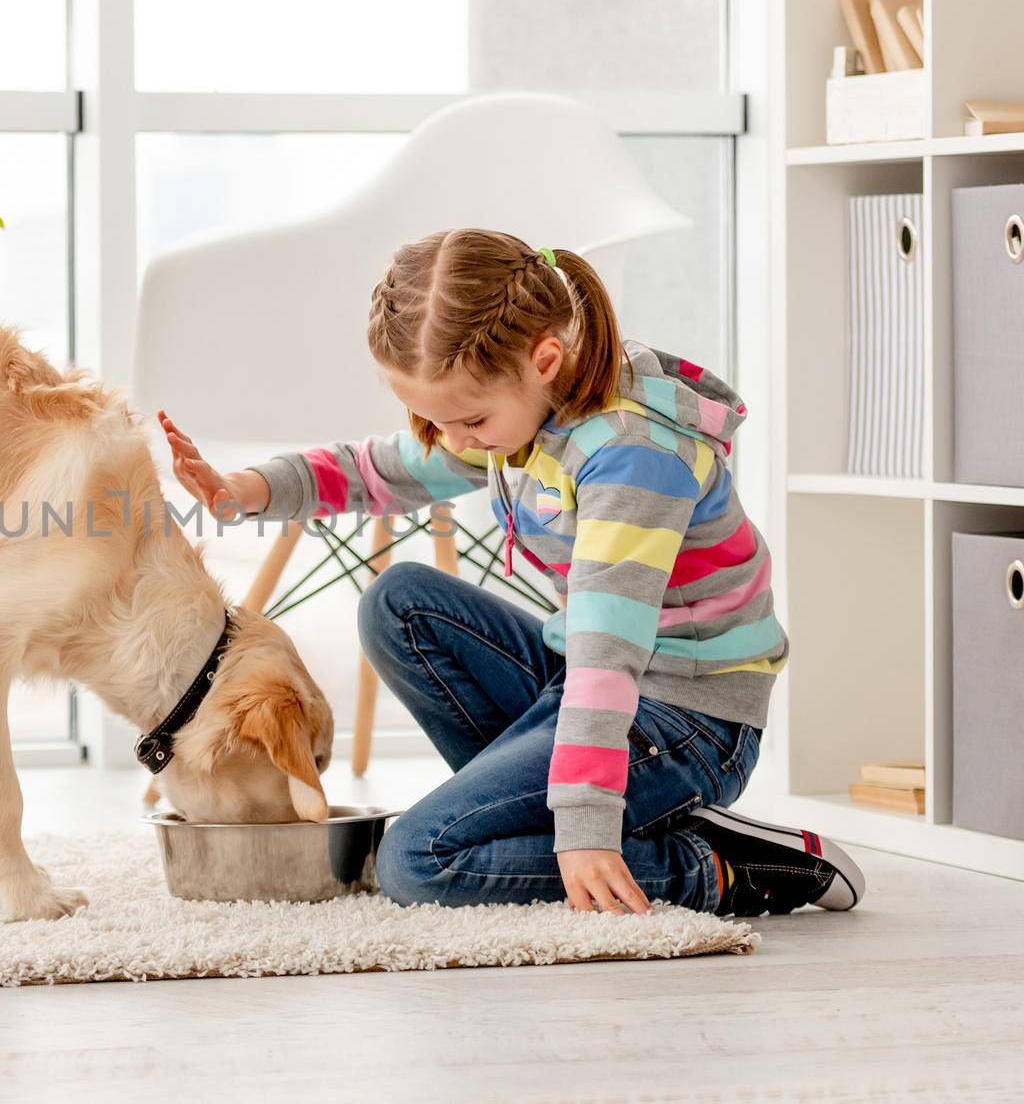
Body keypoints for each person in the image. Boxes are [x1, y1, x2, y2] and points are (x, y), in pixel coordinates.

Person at [159, 228, 863, 917]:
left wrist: (584, 822)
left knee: (417, 858)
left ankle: (717, 868)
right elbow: (391, 467)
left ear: (545, 357)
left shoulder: (633, 457)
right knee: (398, 601)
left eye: (468, 420)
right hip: (594, 686)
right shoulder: (526, 406)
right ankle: (583, 818)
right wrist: (252, 488)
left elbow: (606, 655)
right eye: (437, 421)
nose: (455, 442)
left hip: (689, 719)